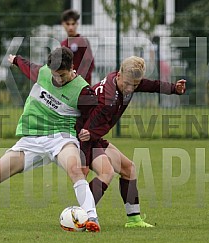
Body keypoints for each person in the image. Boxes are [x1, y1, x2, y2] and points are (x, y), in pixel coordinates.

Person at [0, 47, 101, 232]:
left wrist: (86, 141)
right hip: (31, 140)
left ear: (72, 68)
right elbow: (29, 67)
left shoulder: (84, 92)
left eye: (62, 75)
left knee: (75, 170)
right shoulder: (44, 72)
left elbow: (93, 120)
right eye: (55, 75)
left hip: (61, 138)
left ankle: (92, 218)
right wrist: (15, 60)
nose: (58, 80)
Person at [76, 56, 186, 227]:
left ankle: (134, 220)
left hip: (93, 136)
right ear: (119, 75)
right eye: (127, 84)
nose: (130, 89)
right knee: (107, 173)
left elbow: (151, 85)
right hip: (82, 137)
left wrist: (174, 89)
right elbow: (85, 132)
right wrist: (83, 162)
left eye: (134, 85)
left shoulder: (127, 80)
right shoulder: (108, 99)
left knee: (128, 168)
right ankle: (80, 215)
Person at [61, 9, 94, 85]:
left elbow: (89, 63)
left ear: (77, 24)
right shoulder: (63, 43)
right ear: (63, 24)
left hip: (81, 83)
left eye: (73, 24)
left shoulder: (82, 41)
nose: (70, 27)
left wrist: (79, 79)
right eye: (68, 24)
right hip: (68, 84)